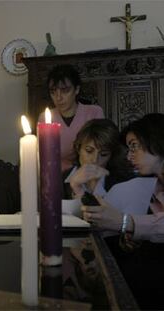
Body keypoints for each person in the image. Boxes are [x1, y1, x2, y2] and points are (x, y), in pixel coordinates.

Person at [82, 113, 164, 309]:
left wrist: (126, 222)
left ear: (156, 141)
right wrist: (131, 237)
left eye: (134, 146)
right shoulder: (155, 186)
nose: (129, 155)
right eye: (128, 148)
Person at [39, 64, 104, 172]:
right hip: (57, 175)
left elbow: (100, 150)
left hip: (91, 172)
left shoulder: (93, 112)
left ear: (76, 89)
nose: (58, 97)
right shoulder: (45, 118)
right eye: (53, 92)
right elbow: (44, 156)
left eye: (65, 90)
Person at [63, 118, 133, 200]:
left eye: (104, 154)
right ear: (78, 148)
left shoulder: (122, 181)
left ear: (111, 155)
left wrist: (95, 186)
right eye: (89, 151)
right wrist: (75, 187)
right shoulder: (62, 179)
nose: (95, 159)